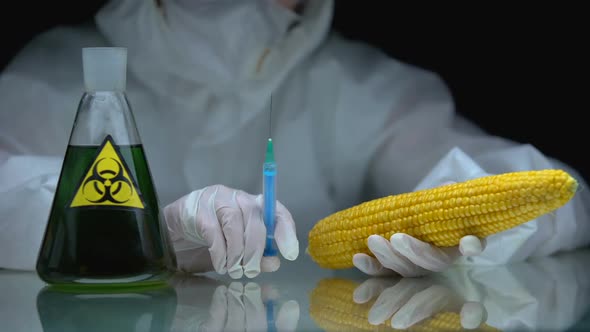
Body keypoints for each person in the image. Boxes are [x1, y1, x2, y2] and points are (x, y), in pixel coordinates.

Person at [0, 0, 588, 279]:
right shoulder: (49, 78)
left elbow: (558, 195)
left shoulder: (361, 86)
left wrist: (464, 221)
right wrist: (149, 231)